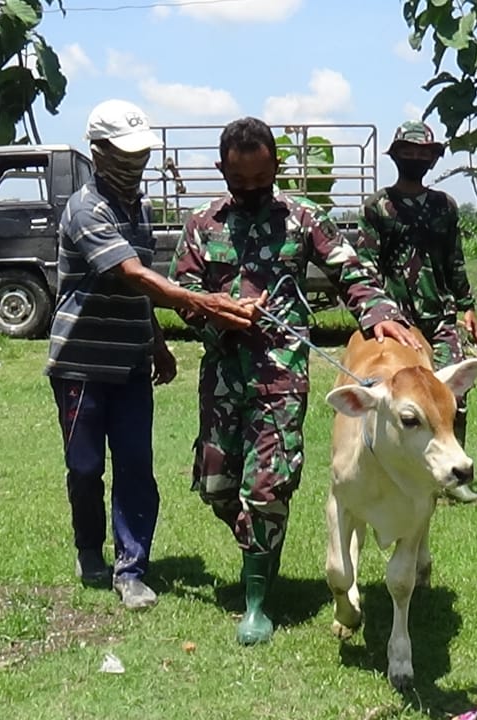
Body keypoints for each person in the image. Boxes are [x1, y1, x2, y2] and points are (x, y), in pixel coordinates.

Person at [170, 116, 419, 644]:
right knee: (217, 486)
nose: (254, 192)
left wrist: (376, 313)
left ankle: (257, 600)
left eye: (263, 181)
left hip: (280, 373)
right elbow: (182, 292)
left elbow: (351, 272)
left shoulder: (304, 218)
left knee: (267, 483)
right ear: (223, 172)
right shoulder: (201, 225)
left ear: (276, 168)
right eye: (242, 183)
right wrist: (216, 311)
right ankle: (257, 543)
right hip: (222, 375)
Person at [46, 100, 258, 611]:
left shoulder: (137, 209)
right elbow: (134, 275)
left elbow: (141, 291)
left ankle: (132, 569)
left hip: (130, 362)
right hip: (81, 363)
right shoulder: (85, 208)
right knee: (85, 466)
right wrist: (204, 302)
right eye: (124, 155)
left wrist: (156, 341)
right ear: (97, 153)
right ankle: (87, 548)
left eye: (141, 155)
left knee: (137, 465)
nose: (134, 166)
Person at [354, 120, 477, 505]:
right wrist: (376, 314)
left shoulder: (443, 207)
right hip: (397, 323)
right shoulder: (378, 207)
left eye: (422, 153)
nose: (415, 158)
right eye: (407, 152)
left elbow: (455, 259)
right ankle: (396, 468)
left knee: (453, 395)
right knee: (401, 401)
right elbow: (364, 264)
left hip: (441, 314)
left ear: (433, 158)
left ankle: (454, 477)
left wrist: (467, 305)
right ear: (395, 156)